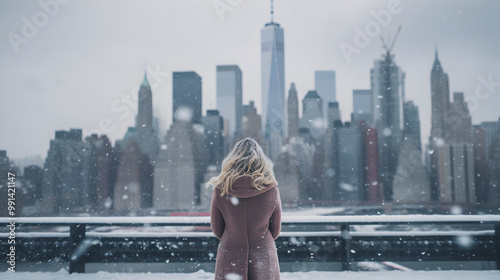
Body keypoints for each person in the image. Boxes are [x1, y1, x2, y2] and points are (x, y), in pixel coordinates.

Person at [208, 138, 281, 280]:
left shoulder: (221, 190)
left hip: (230, 253)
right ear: (261, 161)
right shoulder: (271, 190)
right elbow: (276, 231)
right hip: (263, 254)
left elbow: (217, 229)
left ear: (233, 160)